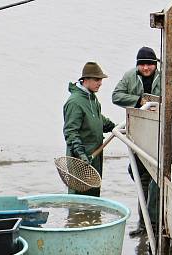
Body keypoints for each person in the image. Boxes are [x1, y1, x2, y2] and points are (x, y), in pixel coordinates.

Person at [113, 46, 161, 235]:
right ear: (137, 65)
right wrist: (139, 101)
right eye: (142, 65)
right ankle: (143, 225)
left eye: (149, 64)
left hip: (158, 134)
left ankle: (155, 224)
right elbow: (116, 96)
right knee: (141, 180)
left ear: (155, 64)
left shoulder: (166, 75)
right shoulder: (129, 76)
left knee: (155, 183)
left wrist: (158, 104)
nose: (146, 68)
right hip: (139, 134)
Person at [62, 62, 116, 197]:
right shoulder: (74, 102)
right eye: (97, 80)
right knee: (79, 199)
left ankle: (92, 219)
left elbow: (97, 118)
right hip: (80, 160)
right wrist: (81, 155)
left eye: (101, 80)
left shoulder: (92, 98)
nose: (100, 83)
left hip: (95, 156)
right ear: (85, 80)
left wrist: (114, 127)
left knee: (93, 197)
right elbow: (70, 132)